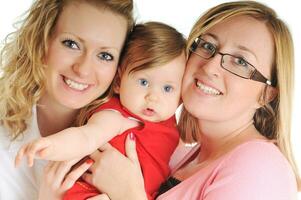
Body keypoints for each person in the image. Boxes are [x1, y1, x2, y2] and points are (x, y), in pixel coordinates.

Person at [77, 1, 301, 200]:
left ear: (266, 94)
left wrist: (128, 195)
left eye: (240, 61)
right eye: (208, 46)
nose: (210, 66)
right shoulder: (181, 155)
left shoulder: (260, 168)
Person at [15, 21, 186, 200]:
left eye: (167, 88)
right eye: (143, 82)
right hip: (91, 192)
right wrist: (51, 146)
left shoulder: (173, 130)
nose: (153, 96)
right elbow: (86, 137)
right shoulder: (116, 117)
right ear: (119, 82)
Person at [0, 0, 134, 199]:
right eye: (72, 44)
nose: (83, 69)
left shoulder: (126, 152)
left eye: (105, 55)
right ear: (42, 41)